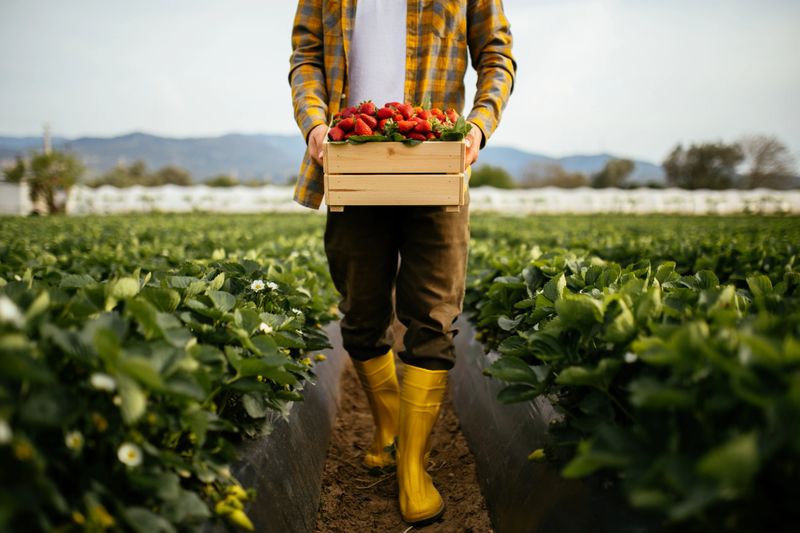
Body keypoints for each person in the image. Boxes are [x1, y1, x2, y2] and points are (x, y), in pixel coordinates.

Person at [289, 0, 515, 525]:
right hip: (352, 157)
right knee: (362, 315)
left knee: (433, 317)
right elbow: (306, 56)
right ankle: (388, 425)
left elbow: (497, 55)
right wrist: (315, 124)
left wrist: (477, 127)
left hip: (435, 158)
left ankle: (412, 466)